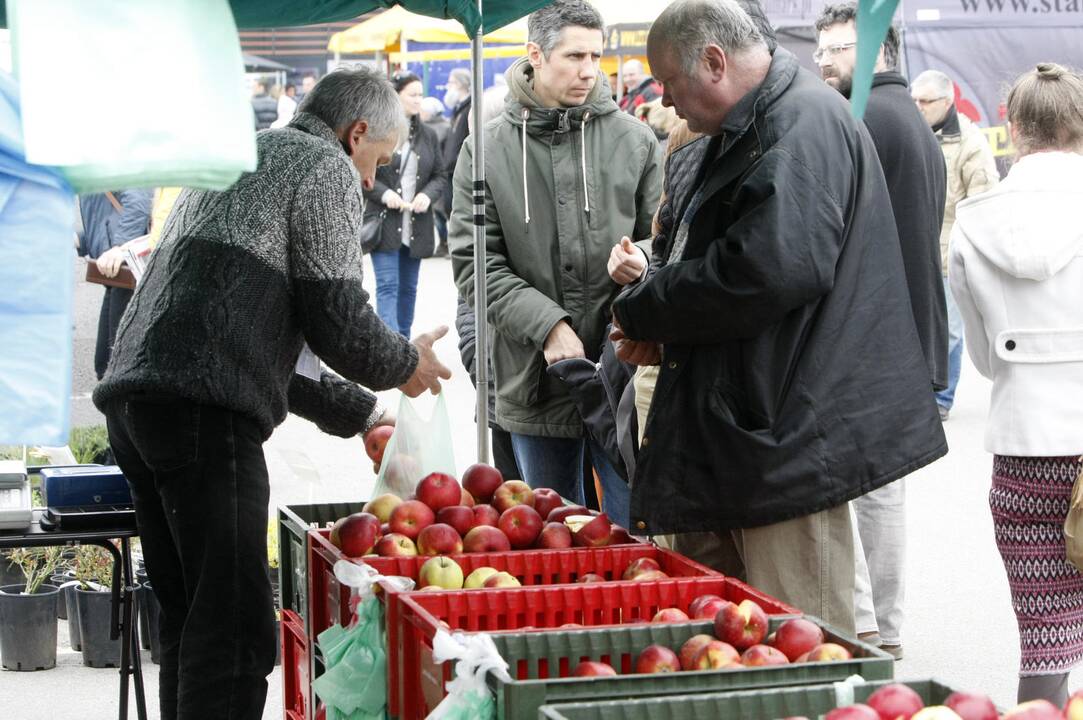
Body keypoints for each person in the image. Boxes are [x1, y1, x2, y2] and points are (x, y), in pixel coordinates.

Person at [92, 67, 451, 720]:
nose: (370, 182)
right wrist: (407, 364)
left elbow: (240, 343)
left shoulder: (248, 152)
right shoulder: (320, 164)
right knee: (232, 632)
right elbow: (337, 322)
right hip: (201, 413)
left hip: (139, 403)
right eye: (376, 162)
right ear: (356, 132)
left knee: (191, 619)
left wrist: (363, 410)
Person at [609, 0, 946, 630]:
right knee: (743, 645)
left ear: (713, 64)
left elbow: (762, 273)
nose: (667, 102)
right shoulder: (759, 122)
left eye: (671, 85)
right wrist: (657, 315)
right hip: (753, 429)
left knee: (798, 644)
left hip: (785, 438)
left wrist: (647, 307)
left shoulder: (798, 126)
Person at [448, 0, 663, 529]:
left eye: (596, 55)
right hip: (532, 379)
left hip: (621, 375)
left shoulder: (634, 140)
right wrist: (547, 327)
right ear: (535, 55)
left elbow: (669, 239)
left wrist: (643, 260)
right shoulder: (485, 149)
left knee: (630, 536)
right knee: (548, 538)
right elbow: (475, 264)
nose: (589, 70)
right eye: (574, 56)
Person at [815, 2, 948, 658]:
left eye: (837, 48)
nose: (824, 61)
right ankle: (878, 630)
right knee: (876, 494)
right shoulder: (910, 121)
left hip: (874, 341)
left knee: (867, 497)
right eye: (820, 50)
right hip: (903, 334)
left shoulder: (865, 120)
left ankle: (875, 632)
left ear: (878, 51)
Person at [949, 62, 1083, 708]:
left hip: (1024, 448)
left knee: (1044, 636)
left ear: (1011, 127)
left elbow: (979, 357)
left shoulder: (975, 223)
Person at [911, 69, 1000, 421]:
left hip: (949, 249)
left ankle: (942, 398)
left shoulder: (970, 142)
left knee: (949, 329)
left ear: (946, 102)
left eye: (925, 101)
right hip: (916, 244)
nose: (917, 107)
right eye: (913, 100)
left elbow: (983, 201)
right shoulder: (912, 130)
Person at [362, 72, 448, 338]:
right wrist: (385, 193)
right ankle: (389, 345)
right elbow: (362, 170)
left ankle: (404, 343)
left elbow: (440, 175)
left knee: (409, 288)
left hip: (417, 223)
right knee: (388, 285)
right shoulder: (378, 131)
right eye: (413, 94)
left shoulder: (428, 135)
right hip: (384, 222)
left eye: (421, 94)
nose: (418, 100)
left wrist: (427, 196)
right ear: (396, 96)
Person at [77, 189, 154, 380]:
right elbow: (106, 216)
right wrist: (82, 239)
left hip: (128, 269)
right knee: (107, 365)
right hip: (117, 274)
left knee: (118, 368)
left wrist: (120, 247)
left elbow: (137, 202)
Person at [440, 68, 473, 215]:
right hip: (450, 169)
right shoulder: (458, 109)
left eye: (451, 82)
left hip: (460, 170)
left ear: (460, 84)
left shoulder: (471, 108)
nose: (448, 86)